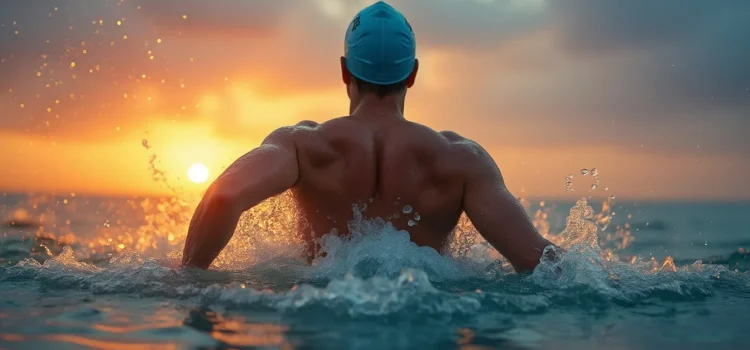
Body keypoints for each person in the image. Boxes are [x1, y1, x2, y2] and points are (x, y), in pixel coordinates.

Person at [181, 1, 554, 273]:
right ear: (412, 74)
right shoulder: (460, 159)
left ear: (345, 71)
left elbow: (224, 196)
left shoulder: (303, 145)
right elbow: (535, 259)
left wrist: (187, 278)